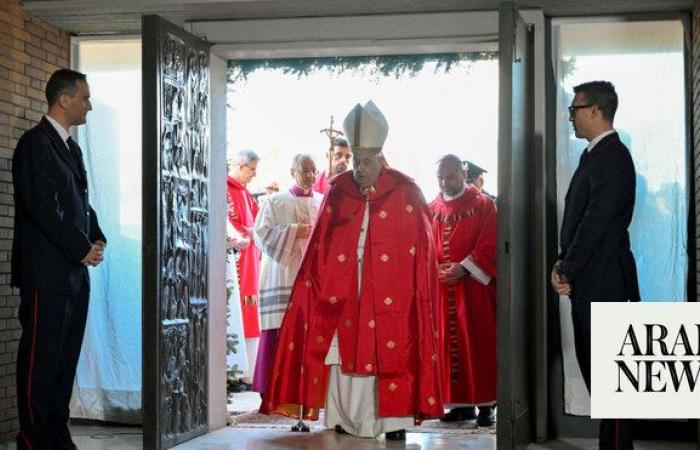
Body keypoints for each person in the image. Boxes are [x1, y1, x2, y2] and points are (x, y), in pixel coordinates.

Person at [260, 101, 443, 440]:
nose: (359, 168)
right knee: (341, 353)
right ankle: (342, 416)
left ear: (382, 161)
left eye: (366, 162)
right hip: (343, 288)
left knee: (390, 348)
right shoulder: (339, 190)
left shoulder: (407, 191)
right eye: (356, 161)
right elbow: (320, 245)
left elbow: (423, 251)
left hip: (392, 293)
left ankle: (394, 421)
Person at [12, 69, 106, 450]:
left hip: (73, 275)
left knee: (65, 361)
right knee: (41, 360)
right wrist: (79, 246)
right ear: (63, 99)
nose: (89, 104)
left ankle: (55, 433)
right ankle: (33, 438)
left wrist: (96, 237)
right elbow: (42, 207)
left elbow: (78, 203)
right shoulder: (34, 144)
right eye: (84, 97)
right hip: (45, 275)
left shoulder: (71, 147)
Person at [552, 81, 639, 450]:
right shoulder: (595, 155)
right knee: (603, 385)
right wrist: (563, 263)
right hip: (591, 283)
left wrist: (566, 269)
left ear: (595, 111)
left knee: (613, 387)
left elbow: (596, 222)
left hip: (606, 285)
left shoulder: (614, 157)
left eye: (575, 109)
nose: (570, 116)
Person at [430, 154, 497, 427]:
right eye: (440, 178)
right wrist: (435, 269)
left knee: (478, 344)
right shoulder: (430, 207)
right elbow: (423, 244)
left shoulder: (483, 205)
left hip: (473, 289)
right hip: (442, 287)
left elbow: (490, 243)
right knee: (446, 346)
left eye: (450, 176)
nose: (445, 183)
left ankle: (485, 405)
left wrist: (464, 267)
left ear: (463, 173)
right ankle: (459, 406)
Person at [251, 154, 323, 396]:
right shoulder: (275, 201)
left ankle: (305, 391)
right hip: (283, 273)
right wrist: (294, 231)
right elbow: (260, 234)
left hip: (312, 275)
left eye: (314, 170)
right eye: (305, 170)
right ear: (293, 171)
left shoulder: (323, 202)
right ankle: (272, 388)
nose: (311, 176)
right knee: (279, 327)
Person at [227, 149, 262, 387]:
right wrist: (243, 235)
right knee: (236, 313)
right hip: (236, 260)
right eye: (252, 170)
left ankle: (246, 371)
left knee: (249, 314)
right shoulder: (225, 189)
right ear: (241, 166)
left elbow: (259, 220)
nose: (253, 176)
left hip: (251, 261)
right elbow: (229, 223)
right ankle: (233, 372)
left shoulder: (246, 193)